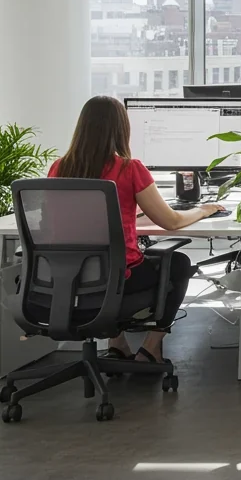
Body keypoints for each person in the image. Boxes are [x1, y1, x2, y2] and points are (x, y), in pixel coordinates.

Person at [48, 96, 224, 365]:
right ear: (121, 129)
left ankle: (118, 345)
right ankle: (150, 347)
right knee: (178, 263)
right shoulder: (130, 169)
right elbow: (172, 222)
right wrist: (204, 210)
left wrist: (131, 214)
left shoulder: (58, 168)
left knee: (114, 265)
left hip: (71, 278)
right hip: (122, 278)